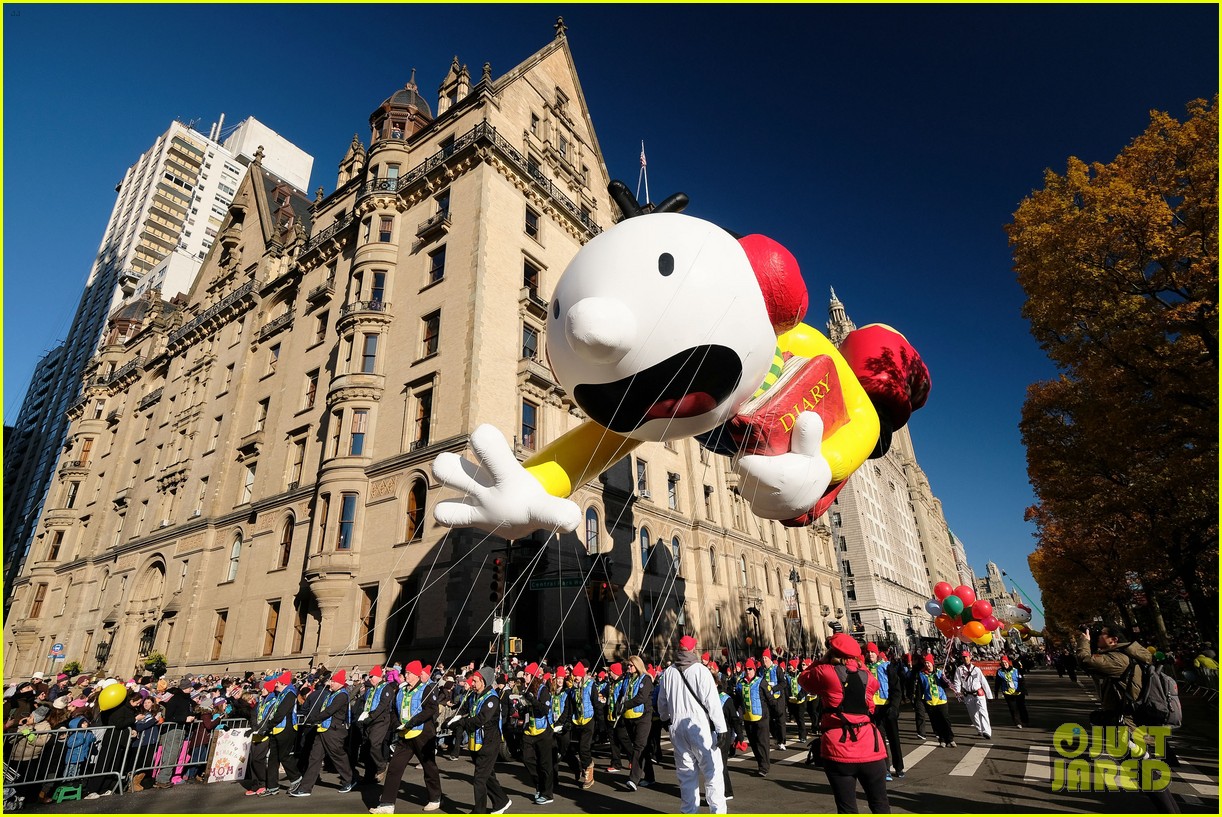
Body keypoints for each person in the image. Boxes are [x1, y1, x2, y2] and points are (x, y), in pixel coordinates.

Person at [1074, 622, 1178, 813]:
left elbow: (1086, 661)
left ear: (1114, 640)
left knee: (1147, 776)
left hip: (1127, 727)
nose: (1098, 636)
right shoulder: (1124, 656)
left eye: (1102, 634)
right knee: (1146, 774)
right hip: (1129, 723)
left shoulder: (1118, 659)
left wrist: (1083, 640)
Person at [798, 633, 890, 814]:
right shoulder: (867, 676)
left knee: (846, 807)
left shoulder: (825, 672)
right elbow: (873, 693)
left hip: (838, 748)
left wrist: (822, 661)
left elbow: (803, 679)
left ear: (832, 652)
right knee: (880, 804)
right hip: (870, 747)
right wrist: (858, 663)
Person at [656, 634, 728, 813]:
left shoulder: (669, 672)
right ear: (693, 650)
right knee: (712, 772)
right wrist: (721, 728)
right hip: (698, 726)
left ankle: (689, 812)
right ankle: (718, 811)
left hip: (677, 728)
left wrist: (665, 719)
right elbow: (712, 702)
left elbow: (661, 701)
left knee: (686, 775)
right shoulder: (700, 671)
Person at [371, 662, 442, 813]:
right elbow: (393, 711)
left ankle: (435, 798)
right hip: (404, 735)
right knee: (394, 768)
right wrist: (397, 724)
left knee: (429, 767)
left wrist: (413, 722)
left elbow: (431, 709)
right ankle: (387, 804)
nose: (406, 675)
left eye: (409, 673)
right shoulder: (401, 690)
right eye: (406, 672)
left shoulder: (426, 689)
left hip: (422, 734)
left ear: (417, 675)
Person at [445, 667, 511, 814]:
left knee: (479, 779)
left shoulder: (492, 699)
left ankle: (479, 811)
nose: (472, 683)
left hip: (489, 743)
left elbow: (481, 719)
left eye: (475, 681)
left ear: (483, 681)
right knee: (488, 776)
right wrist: (453, 720)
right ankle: (502, 801)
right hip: (477, 742)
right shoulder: (475, 695)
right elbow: (466, 711)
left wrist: (461, 723)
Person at [294, 669, 356, 797]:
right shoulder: (331, 694)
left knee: (337, 756)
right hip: (322, 729)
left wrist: (313, 718)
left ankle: (349, 779)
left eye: (333, 681)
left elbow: (329, 711)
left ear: (339, 683)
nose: (330, 683)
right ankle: (305, 787)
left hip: (334, 731)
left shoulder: (341, 695)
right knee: (314, 758)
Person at [256, 672, 302, 795]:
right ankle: (272, 787)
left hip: (286, 728)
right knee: (273, 759)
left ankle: (296, 778)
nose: (275, 685)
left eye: (277, 682)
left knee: (284, 755)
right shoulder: (282, 694)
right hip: (276, 729)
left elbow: (281, 713)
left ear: (283, 683)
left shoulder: (290, 694)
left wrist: (269, 725)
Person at [865, 644, 905, 780]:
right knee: (879, 740)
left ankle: (899, 767)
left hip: (888, 708)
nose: (870, 654)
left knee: (894, 739)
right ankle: (885, 769)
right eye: (868, 652)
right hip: (873, 708)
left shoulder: (887, 666)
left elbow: (896, 688)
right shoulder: (864, 669)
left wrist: (894, 707)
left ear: (877, 653)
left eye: (872, 652)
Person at [519, 664, 556, 805]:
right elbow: (528, 711)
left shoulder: (543, 690)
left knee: (545, 764)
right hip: (529, 731)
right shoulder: (526, 690)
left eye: (527, 675)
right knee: (527, 759)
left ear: (533, 676)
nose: (524, 677)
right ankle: (539, 784)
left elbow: (544, 709)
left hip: (543, 732)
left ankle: (547, 794)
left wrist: (532, 700)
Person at [152, 679, 193, 788]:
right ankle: (162, 779)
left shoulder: (186, 699)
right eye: (189, 687)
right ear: (185, 688)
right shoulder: (176, 699)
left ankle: (164, 778)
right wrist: (185, 718)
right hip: (173, 730)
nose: (191, 689)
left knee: (174, 755)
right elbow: (170, 717)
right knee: (171, 755)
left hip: (180, 729)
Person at [359, 665, 397, 784]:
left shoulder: (386, 688)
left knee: (374, 743)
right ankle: (369, 775)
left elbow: (383, 705)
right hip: (368, 719)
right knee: (367, 746)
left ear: (379, 676)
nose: (370, 679)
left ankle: (381, 765)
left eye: (372, 676)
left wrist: (372, 716)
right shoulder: (371, 689)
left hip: (380, 720)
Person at [735, 657, 770, 777]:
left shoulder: (761, 682)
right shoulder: (740, 684)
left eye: (750, 669)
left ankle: (764, 767)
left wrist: (775, 713)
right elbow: (739, 701)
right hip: (748, 718)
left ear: (754, 670)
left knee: (762, 743)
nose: (748, 671)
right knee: (754, 743)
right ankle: (760, 763)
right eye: (746, 669)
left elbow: (769, 699)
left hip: (761, 718)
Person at [565, 662, 597, 788]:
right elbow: (572, 705)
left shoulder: (590, 685)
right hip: (577, 721)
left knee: (584, 748)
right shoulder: (573, 689)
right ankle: (585, 765)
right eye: (575, 676)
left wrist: (600, 722)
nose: (576, 678)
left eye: (578, 676)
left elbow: (596, 703)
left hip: (589, 720)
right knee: (579, 748)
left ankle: (589, 770)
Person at [915, 656, 956, 748]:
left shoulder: (939, 673)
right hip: (930, 702)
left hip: (941, 701)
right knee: (935, 722)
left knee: (945, 720)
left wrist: (944, 678)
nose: (927, 665)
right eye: (925, 663)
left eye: (928, 663)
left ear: (932, 663)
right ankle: (941, 739)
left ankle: (950, 738)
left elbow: (947, 684)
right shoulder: (921, 674)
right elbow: (920, 689)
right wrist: (918, 701)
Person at [951, 651, 992, 740]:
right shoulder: (959, 669)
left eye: (966, 657)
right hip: (967, 695)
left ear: (970, 657)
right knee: (973, 714)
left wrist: (989, 695)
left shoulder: (976, 669)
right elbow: (957, 682)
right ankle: (980, 729)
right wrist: (958, 693)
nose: (965, 658)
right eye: (963, 657)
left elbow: (984, 682)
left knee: (983, 712)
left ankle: (987, 731)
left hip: (978, 693)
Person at [760, 649, 789, 749]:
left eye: (766, 658)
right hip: (767, 699)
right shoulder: (762, 670)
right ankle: (776, 737)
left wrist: (773, 688)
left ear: (769, 658)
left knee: (780, 720)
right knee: (769, 720)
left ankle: (782, 741)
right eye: (763, 658)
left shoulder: (777, 669)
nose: (764, 660)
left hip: (778, 698)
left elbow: (783, 683)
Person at [993, 655, 1030, 729]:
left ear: (1008, 662)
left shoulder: (1015, 670)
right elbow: (997, 683)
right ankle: (1018, 723)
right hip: (1008, 693)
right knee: (1013, 709)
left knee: (1022, 707)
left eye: (1005, 662)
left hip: (1018, 692)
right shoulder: (1000, 672)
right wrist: (996, 693)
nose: (1004, 664)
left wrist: (1023, 690)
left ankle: (1025, 721)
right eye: (1002, 662)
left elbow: (1021, 680)